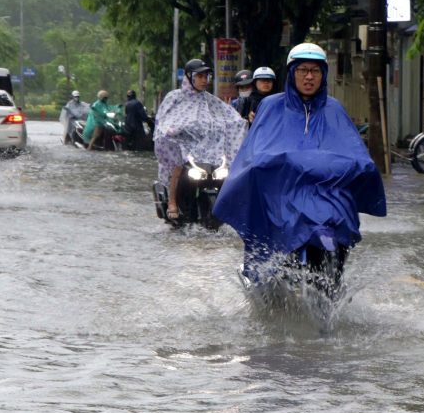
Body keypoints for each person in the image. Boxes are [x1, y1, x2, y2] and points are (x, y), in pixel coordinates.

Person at [212, 42, 386, 278]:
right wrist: (272, 165)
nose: (309, 77)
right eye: (303, 70)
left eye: (315, 71)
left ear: (323, 74)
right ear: (292, 72)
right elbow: (255, 152)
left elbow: (355, 155)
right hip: (282, 193)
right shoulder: (271, 106)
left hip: (327, 193)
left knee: (340, 220)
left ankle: (332, 284)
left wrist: (353, 167)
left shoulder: (334, 109)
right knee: (272, 216)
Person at [153, 58, 246, 220]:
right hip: (182, 145)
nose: (204, 81)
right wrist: (170, 130)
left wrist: (241, 122)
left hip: (207, 149)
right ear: (189, 77)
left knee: (226, 170)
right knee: (177, 165)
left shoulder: (210, 100)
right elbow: (163, 119)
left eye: (206, 77)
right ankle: (173, 202)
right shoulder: (175, 97)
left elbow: (229, 116)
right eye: (200, 76)